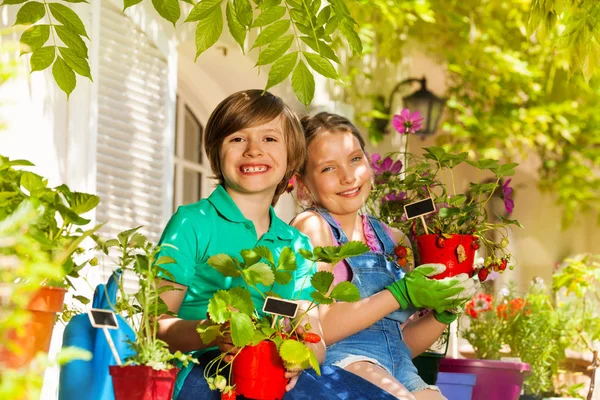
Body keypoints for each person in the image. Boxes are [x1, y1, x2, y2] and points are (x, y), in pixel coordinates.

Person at [154, 91, 398, 400]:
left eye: (269, 139)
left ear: (291, 157)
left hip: (274, 369)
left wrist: (300, 353)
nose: (254, 150)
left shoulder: (295, 244)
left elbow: (316, 340)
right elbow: (155, 328)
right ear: (216, 152)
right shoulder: (192, 223)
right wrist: (214, 332)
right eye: (237, 139)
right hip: (206, 370)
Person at [291, 112, 476, 400]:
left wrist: (444, 313)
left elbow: (400, 343)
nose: (348, 176)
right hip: (342, 363)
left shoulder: (393, 239)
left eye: (355, 159)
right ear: (303, 184)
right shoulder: (313, 228)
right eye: (328, 168)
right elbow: (319, 327)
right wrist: (399, 293)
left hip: (398, 367)